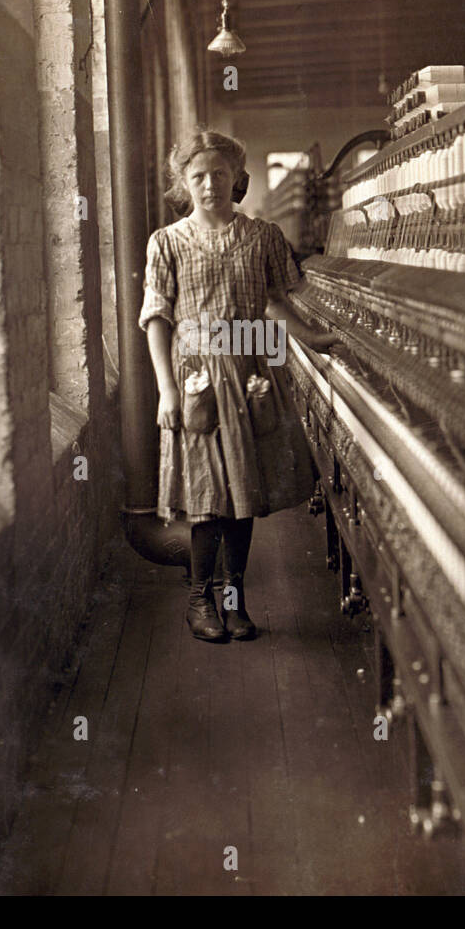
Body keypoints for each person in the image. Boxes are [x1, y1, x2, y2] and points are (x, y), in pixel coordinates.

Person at [139, 129, 340, 642]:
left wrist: (312, 338)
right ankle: (199, 601)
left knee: (242, 492)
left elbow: (274, 302)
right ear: (184, 184)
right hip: (197, 377)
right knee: (207, 495)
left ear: (237, 177)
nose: (210, 185)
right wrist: (165, 390)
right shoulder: (166, 242)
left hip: (252, 366)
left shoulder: (264, 236)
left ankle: (235, 599)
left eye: (220, 174)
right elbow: (157, 319)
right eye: (198, 176)